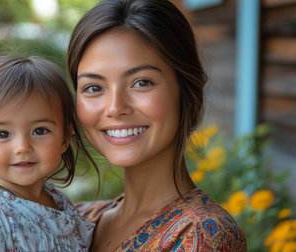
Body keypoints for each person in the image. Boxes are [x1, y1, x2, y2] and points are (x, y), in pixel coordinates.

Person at [67, 0, 247, 251]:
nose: (115, 107)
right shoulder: (76, 220)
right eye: (94, 88)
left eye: (141, 82)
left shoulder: (200, 234)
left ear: (186, 92)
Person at [0, 53, 96, 251]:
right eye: (2, 134)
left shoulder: (57, 200)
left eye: (40, 131)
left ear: (65, 138)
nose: (22, 147)